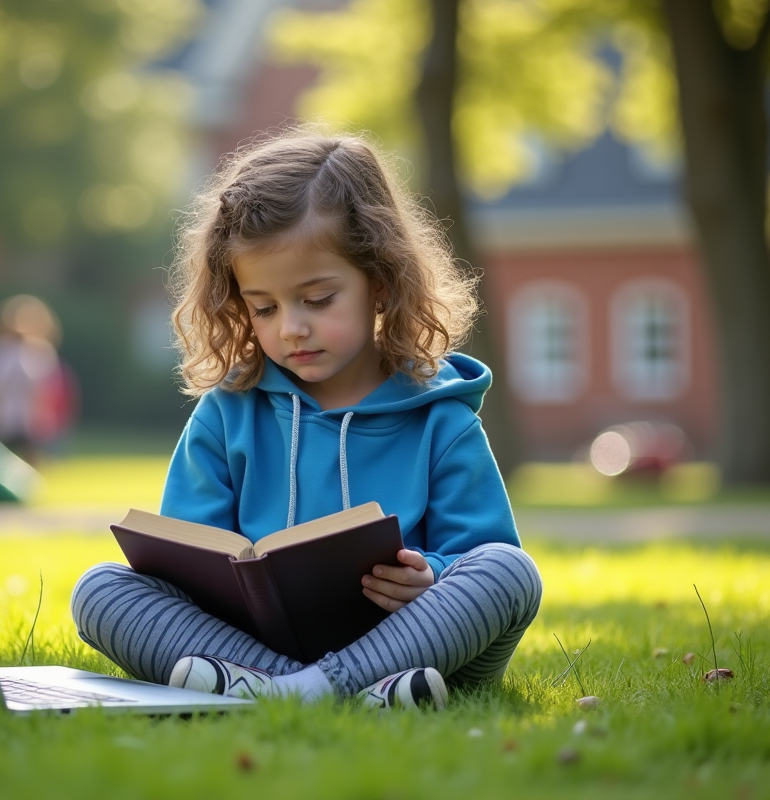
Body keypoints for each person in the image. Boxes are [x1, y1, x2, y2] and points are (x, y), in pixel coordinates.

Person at [71, 131, 542, 710]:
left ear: (382, 285)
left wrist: (431, 576)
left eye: (317, 300)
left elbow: (480, 551)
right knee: (99, 590)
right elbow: (185, 559)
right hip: (252, 643)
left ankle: (289, 692)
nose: (290, 327)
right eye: (264, 307)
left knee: (508, 571)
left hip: (414, 643)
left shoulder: (442, 419)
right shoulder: (226, 413)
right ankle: (317, 692)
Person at [0, 295, 73, 463]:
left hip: (28, 419)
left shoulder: (39, 351)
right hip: (3, 416)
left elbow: (46, 390)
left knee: (27, 458)